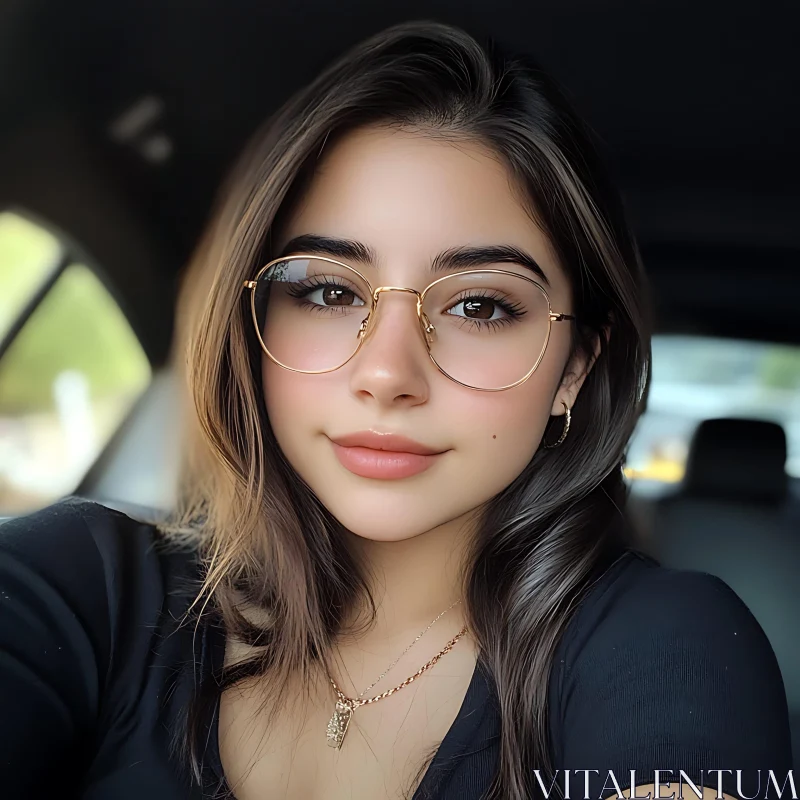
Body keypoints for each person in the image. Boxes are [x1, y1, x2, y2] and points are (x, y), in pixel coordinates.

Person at [0, 20, 792, 800]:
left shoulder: (666, 643)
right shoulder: (86, 585)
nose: (387, 373)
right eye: (327, 290)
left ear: (574, 370)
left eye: (481, 306)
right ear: (251, 323)